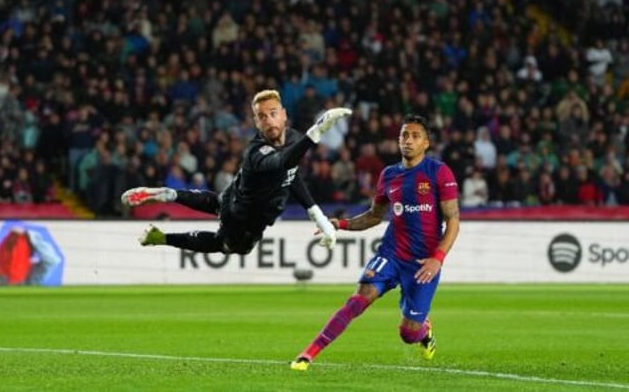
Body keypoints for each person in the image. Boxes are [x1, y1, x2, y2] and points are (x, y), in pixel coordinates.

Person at [290, 114, 460, 370]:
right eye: (404, 135)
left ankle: (424, 330)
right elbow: (374, 216)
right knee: (360, 297)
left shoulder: (438, 172)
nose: (408, 140)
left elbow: (453, 220)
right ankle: (308, 354)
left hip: (422, 263)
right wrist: (342, 224)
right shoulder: (389, 175)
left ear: (426, 143)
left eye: (415, 136)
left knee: (408, 333)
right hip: (391, 254)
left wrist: (438, 259)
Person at [120, 89, 352, 254]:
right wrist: (317, 132)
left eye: (273, 113)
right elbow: (282, 163)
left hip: (235, 195)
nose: (269, 120)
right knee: (228, 246)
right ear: (256, 123)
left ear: (284, 115)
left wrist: (319, 219)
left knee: (219, 203)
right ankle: (160, 237)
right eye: (262, 117)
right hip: (245, 217)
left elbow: (292, 176)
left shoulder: (293, 138)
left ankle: (170, 194)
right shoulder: (256, 151)